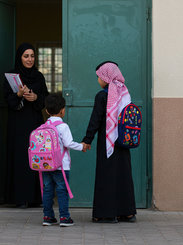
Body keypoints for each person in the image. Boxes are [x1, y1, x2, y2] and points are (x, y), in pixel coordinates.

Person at [82, 61, 137, 223]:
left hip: (108, 143)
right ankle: (127, 212)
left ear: (105, 77)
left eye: (99, 76)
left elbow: (96, 120)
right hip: (123, 142)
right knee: (123, 175)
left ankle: (107, 213)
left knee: (107, 176)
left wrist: (87, 139)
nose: (98, 80)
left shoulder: (102, 96)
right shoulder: (124, 92)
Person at [4, 42, 49, 208]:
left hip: (34, 123)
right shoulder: (12, 76)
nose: (29, 59)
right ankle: (20, 198)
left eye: (32, 56)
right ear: (20, 57)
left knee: (36, 157)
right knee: (20, 158)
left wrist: (36, 98)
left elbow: (46, 99)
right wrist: (19, 94)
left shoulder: (38, 77)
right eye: (26, 56)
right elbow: (8, 100)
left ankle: (35, 197)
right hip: (17, 125)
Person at [42, 94, 88, 227]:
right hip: (61, 166)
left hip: (46, 165)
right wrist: (82, 146)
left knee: (48, 190)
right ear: (63, 110)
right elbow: (68, 143)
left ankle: (48, 216)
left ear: (46, 111)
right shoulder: (63, 126)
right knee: (62, 191)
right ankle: (64, 217)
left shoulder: (45, 126)